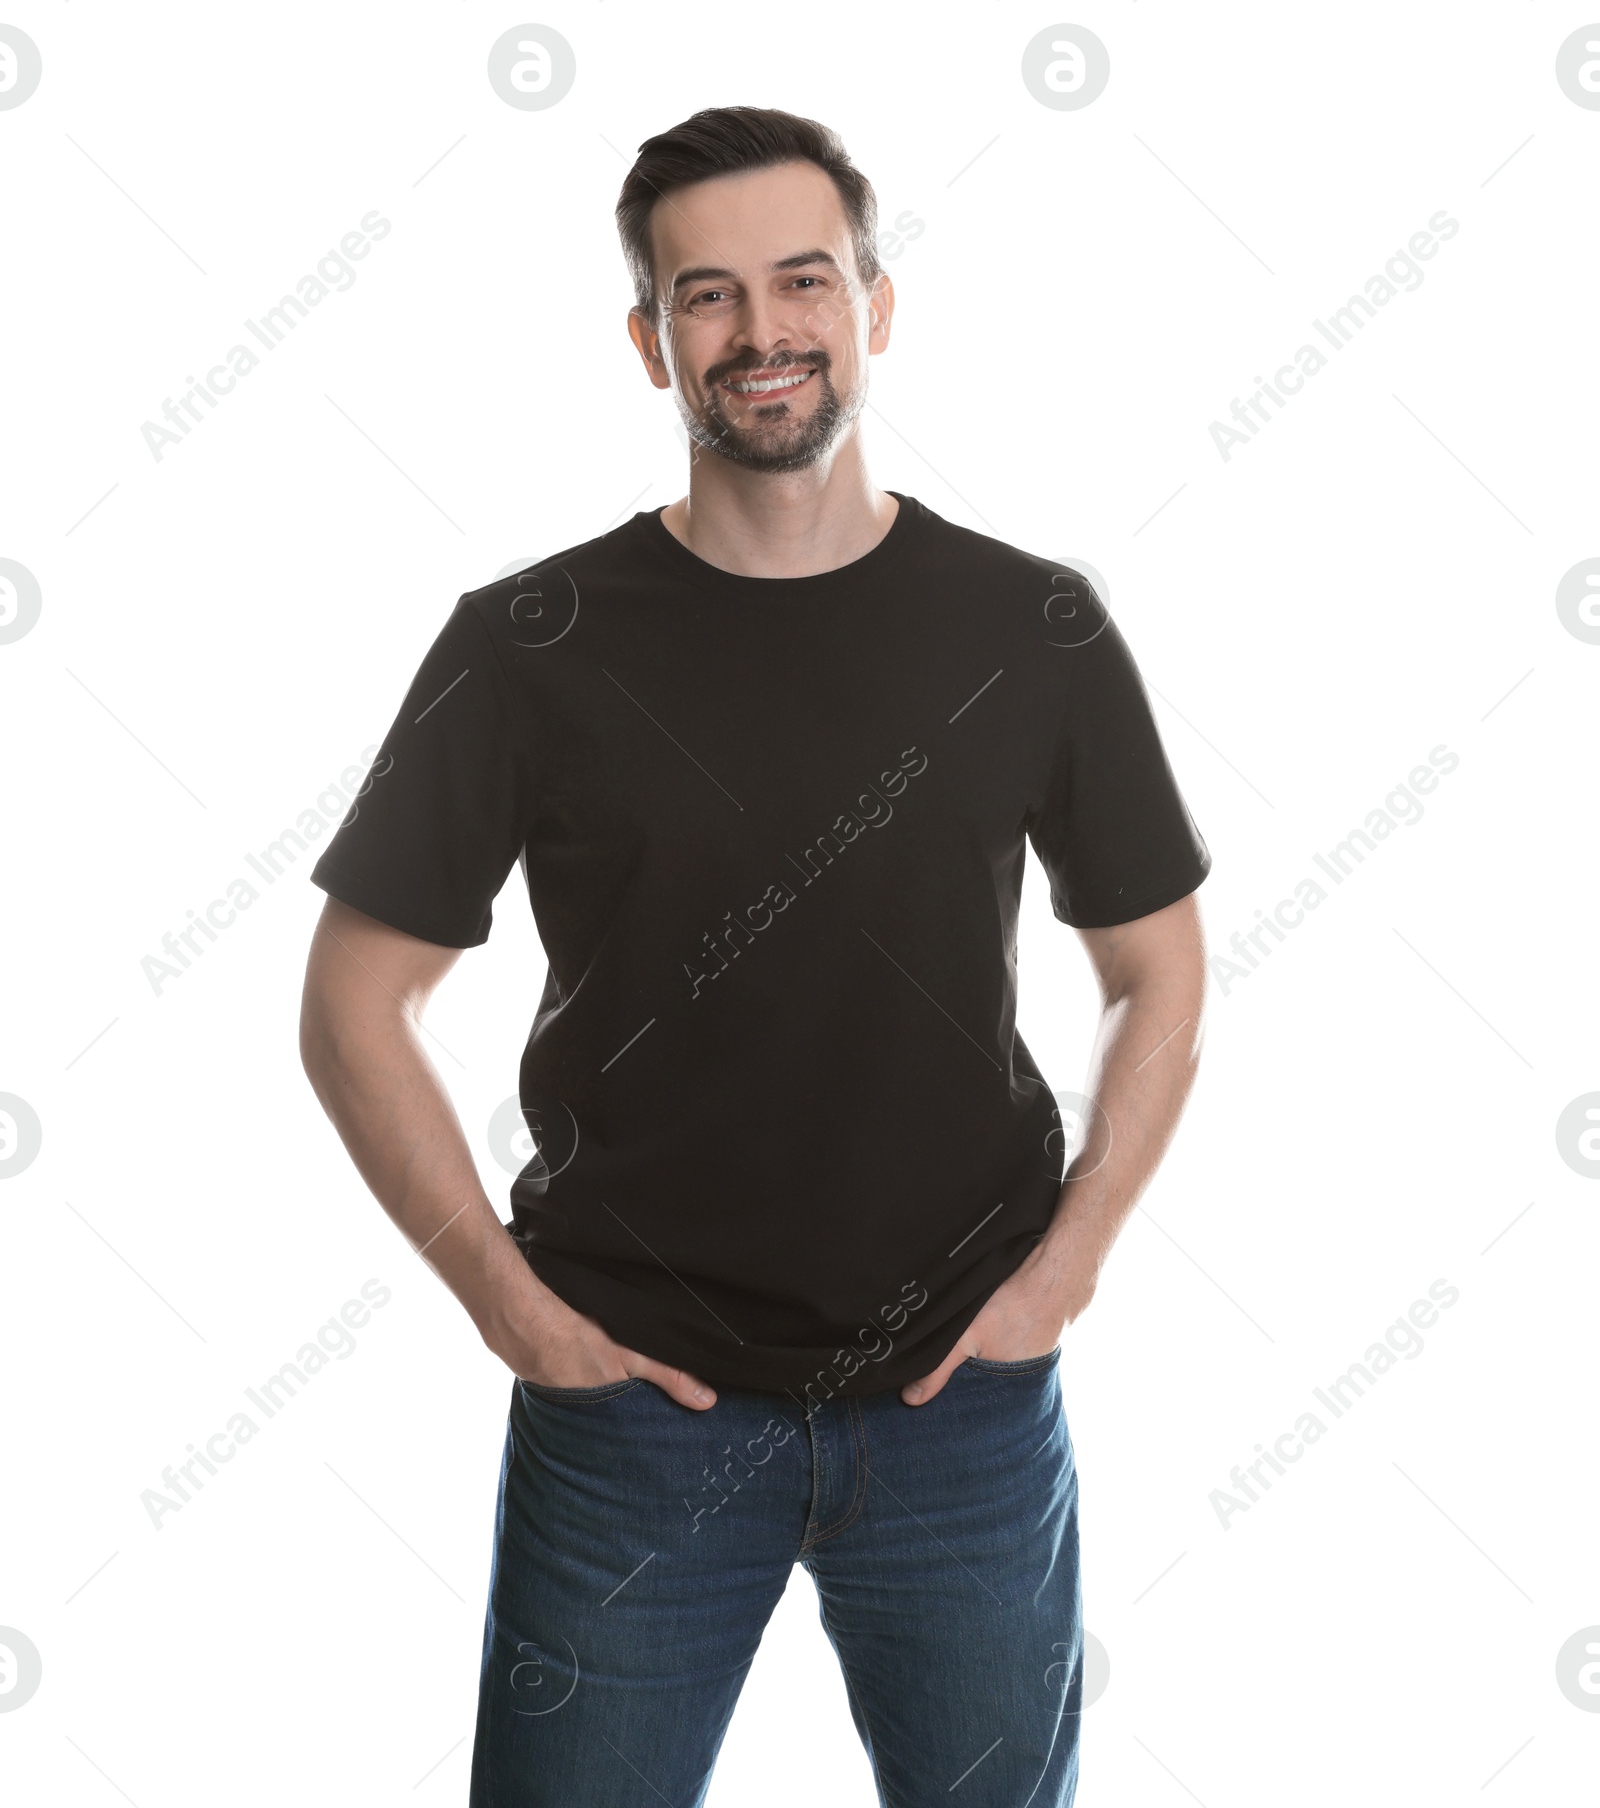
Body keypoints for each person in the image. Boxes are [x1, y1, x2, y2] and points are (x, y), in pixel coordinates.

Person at [299, 104, 1211, 1808]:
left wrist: (1059, 1280)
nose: (762, 330)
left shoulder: (1035, 630)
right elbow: (354, 1003)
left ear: (876, 302)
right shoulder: (527, 645)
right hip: (635, 1414)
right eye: (706, 296)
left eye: (803, 279)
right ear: (652, 342)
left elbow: (1159, 971)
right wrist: (516, 1310)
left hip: (966, 1406)